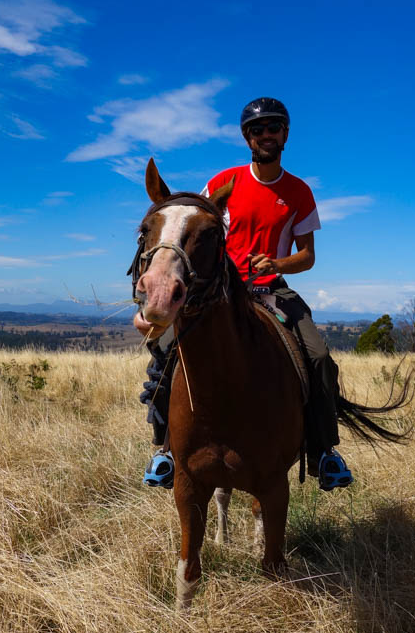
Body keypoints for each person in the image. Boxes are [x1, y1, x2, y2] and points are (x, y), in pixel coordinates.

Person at [139, 97, 353, 492]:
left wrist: (276, 264)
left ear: (285, 134)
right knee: (166, 350)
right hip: (219, 289)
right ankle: (165, 448)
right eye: (258, 130)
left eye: (274, 128)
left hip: (272, 291)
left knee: (320, 357)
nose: (266, 135)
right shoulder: (223, 183)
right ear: (247, 138)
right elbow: (195, 230)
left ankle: (325, 450)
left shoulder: (299, 192)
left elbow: (307, 256)